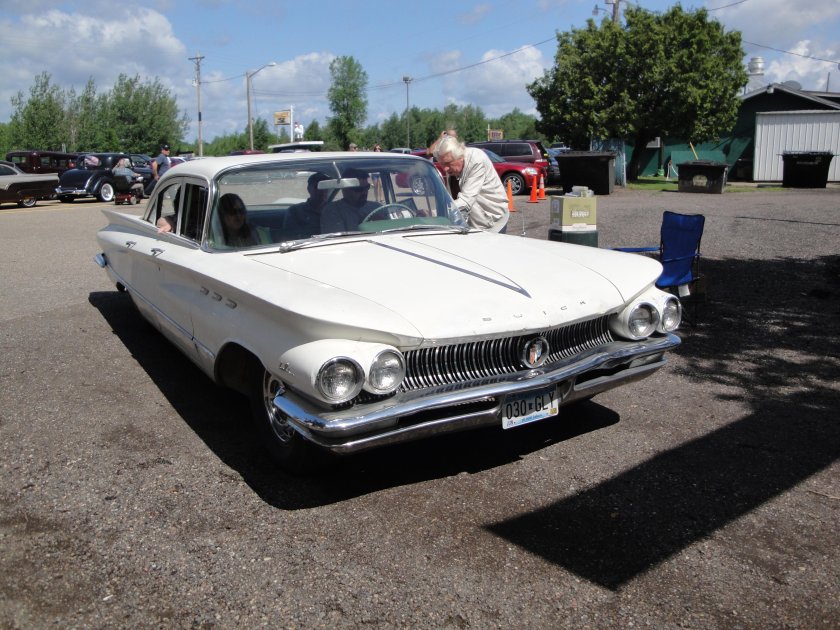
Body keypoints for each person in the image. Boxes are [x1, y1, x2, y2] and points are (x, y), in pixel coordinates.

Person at [433, 135, 509, 233]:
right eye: (442, 164)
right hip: (473, 223)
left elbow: (466, 200)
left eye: (448, 163)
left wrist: (434, 213)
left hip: (493, 220)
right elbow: (451, 198)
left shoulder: (477, 160)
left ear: (460, 157)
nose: (445, 169)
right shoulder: (453, 166)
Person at [320, 169, 381, 233]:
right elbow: (336, 239)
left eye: (367, 187)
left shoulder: (377, 208)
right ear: (345, 189)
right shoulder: (333, 210)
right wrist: (362, 226)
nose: (364, 192)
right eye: (358, 189)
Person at [283, 172, 330, 239]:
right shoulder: (295, 211)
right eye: (318, 187)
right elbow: (290, 237)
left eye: (326, 186)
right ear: (309, 189)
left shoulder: (336, 209)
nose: (323, 190)